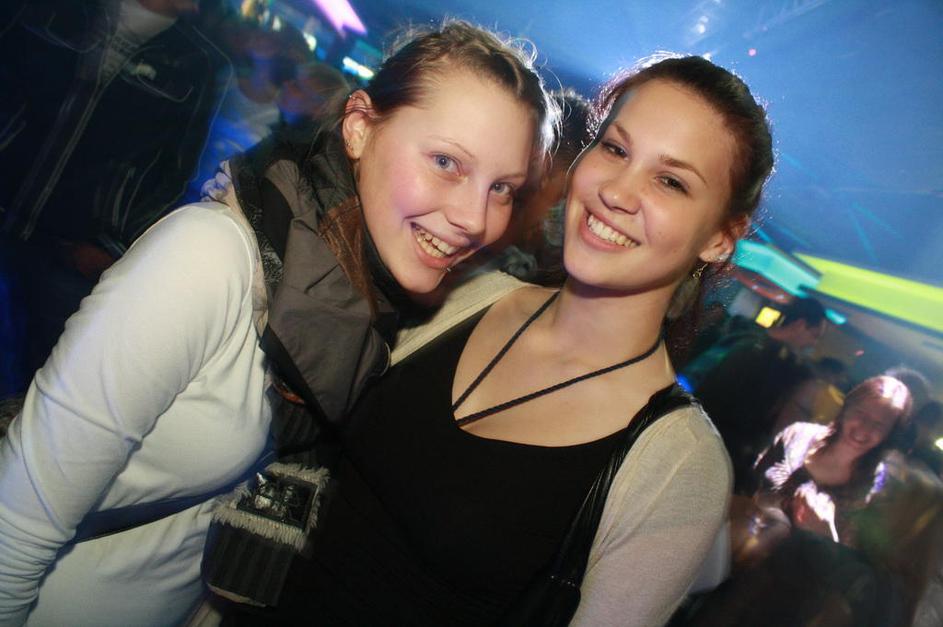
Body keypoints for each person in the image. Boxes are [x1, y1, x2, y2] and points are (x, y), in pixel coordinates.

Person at [0, 21, 558, 627]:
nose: (475, 218)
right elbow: (14, 529)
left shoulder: (363, 305)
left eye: (503, 188)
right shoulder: (209, 260)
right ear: (359, 127)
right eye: (446, 161)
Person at [226, 53, 775, 626]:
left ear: (720, 237)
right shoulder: (466, 292)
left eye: (671, 181)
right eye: (615, 149)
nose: (617, 191)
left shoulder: (679, 466)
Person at [0, 0, 231, 389]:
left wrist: (113, 244)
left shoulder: (199, 63)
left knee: (36, 385)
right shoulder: (56, 8)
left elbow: (175, 172)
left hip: (74, 250)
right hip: (9, 197)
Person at [691, 296, 828, 490]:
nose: (813, 344)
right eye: (814, 335)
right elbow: (699, 382)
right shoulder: (753, 348)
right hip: (705, 446)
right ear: (799, 325)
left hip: (711, 448)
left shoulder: (759, 347)